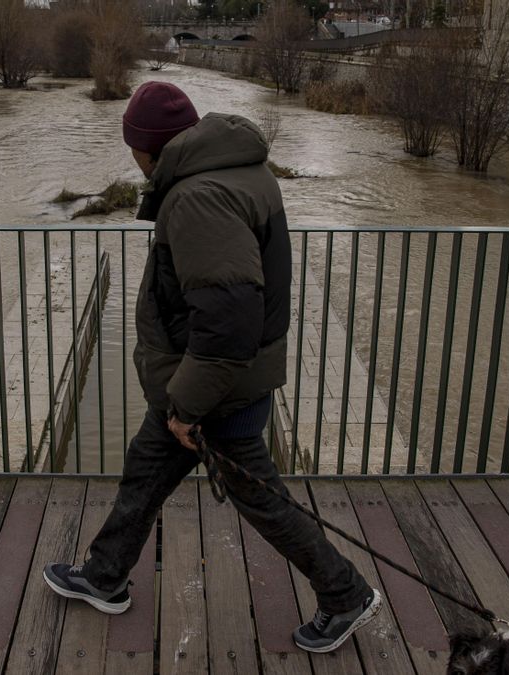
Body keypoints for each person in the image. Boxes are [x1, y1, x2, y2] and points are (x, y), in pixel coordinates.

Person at [43, 81, 380, 653]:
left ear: (145, 147)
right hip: (198, 383)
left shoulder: (197, 197)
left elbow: (228, 321)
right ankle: (104, 576)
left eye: (131, 146)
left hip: (213, 393)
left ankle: (345, 593)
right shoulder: (236, 169)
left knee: (263, 501)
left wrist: (187, 406)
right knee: (145, 475)